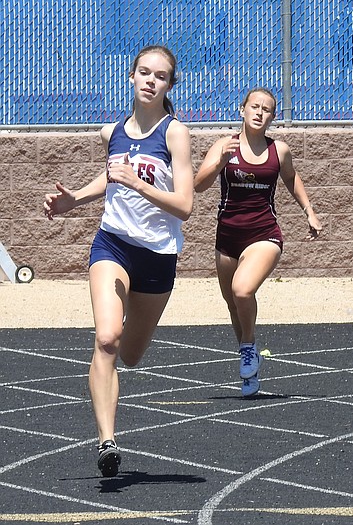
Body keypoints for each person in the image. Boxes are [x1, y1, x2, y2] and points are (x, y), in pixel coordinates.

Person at [43, 45, 193, 477]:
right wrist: (75, 199)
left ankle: (119, 363)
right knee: (107, 338)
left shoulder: (174, 133)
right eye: (143, 72)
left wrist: (137, 184)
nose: (150, 80)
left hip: (158, 257)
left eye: (160, 76)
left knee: (129, 354)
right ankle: (107, 441)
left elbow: (184, 204)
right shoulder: (112, 132)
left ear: (169, 85)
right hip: (113, 245)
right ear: (130, 77)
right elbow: (109, 176)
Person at [194, 87, 322, 397]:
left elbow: (291, 178)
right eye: (254, 106)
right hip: (227, 237)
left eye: (266, 109)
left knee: (243, 289)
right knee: (234, 305)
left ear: (272, 116)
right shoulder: (224, 146)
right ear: (242, 110)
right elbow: (198, 185)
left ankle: (249, 347)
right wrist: (218, 163)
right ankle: (249, 371)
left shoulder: (279, 150)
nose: (259, 112)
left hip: (264, 234)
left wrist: (310, 212)